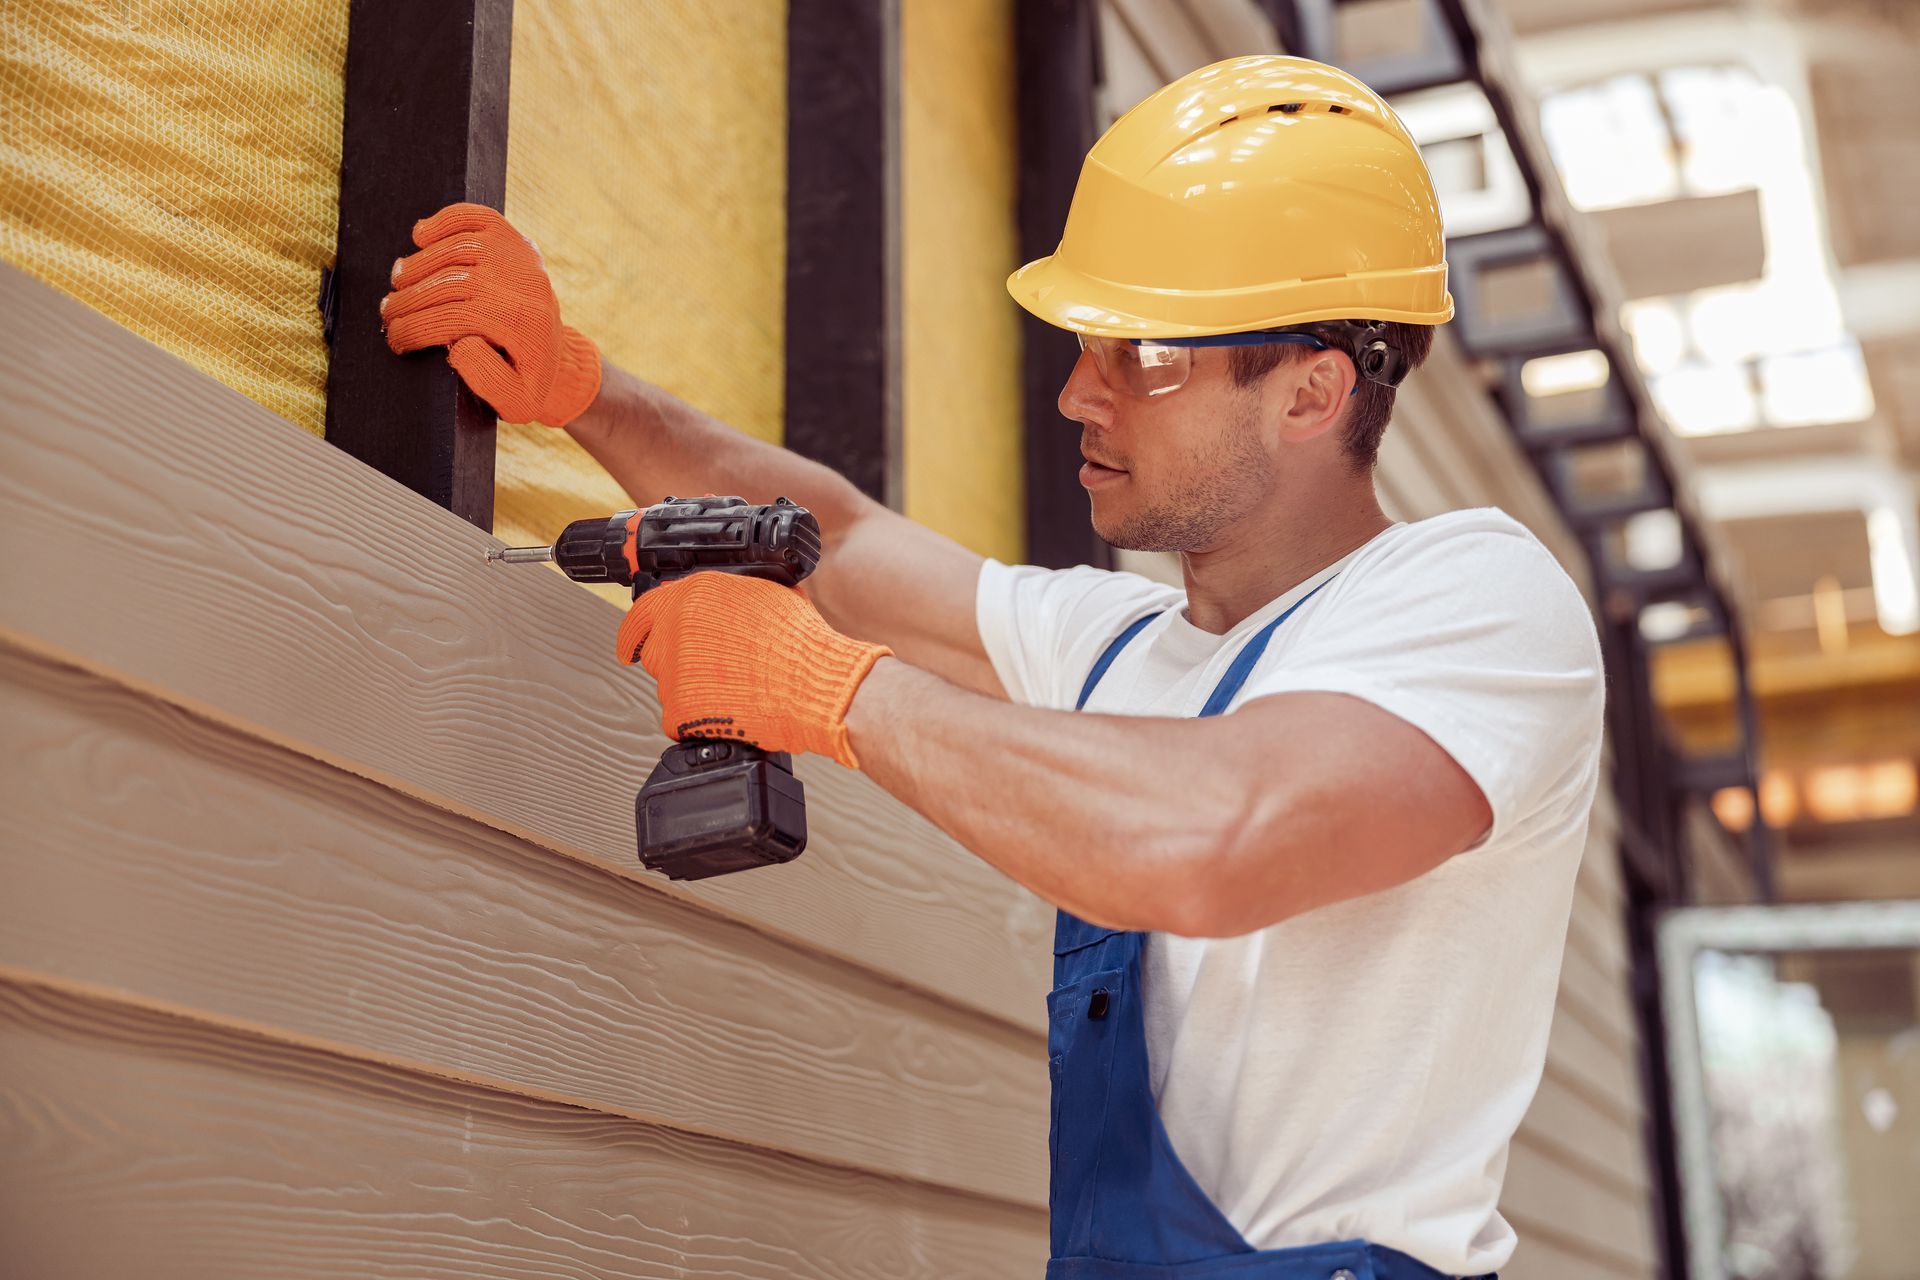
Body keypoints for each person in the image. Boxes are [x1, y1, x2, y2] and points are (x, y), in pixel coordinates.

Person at [381, 53, 1604, 1280]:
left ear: (1311, 393)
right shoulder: (1116, 648)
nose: (1078, 392)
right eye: (1085, 343)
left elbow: (1217, 834)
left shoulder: (1477, 601)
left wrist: (831, 689)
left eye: (1144, 355)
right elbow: (844, 542)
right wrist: (583, 388)